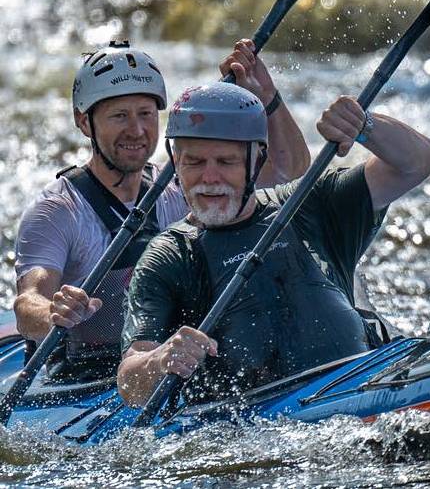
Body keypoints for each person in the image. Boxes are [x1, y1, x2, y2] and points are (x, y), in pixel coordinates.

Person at [116, 82, 430, 406]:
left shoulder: (309, 204)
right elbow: (130, 384)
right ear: (176, 161)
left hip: (365, 380)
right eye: (195, 163)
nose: (209, 178)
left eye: (225, 162)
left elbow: (417, 162)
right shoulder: (169, 256)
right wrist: (160, 360)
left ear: (258, 160)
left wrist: (365, 125)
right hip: (262, 424)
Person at [13, 39, 311, 381]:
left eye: (146, 114)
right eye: (120, 116)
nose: (137, 131)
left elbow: (293, 172)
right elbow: (27, 304)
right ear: (84, 122)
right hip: (87, 379)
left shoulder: (184, 184)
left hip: (176, 364)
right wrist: (54, 311)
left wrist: (267, 96)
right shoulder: (57, 211)